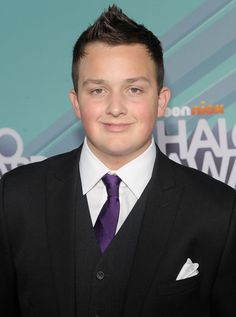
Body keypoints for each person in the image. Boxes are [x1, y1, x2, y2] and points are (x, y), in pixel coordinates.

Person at [0, 5, 235, 317]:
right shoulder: (15, 197)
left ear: (161, 100)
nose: (115, 107)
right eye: (98, 90)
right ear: (76, 103)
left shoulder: (219, 211)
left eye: (134, 89)